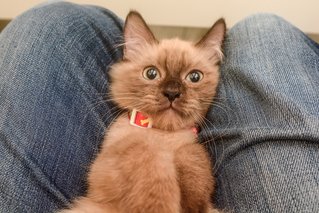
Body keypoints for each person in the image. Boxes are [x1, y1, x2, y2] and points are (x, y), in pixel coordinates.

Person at [0, 2, 318, 212]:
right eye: (152, 74)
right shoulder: (121, 126)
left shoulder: (197, 139)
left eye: (194, 77)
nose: (172, 92)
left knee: (263, 27)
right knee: (45, 19)